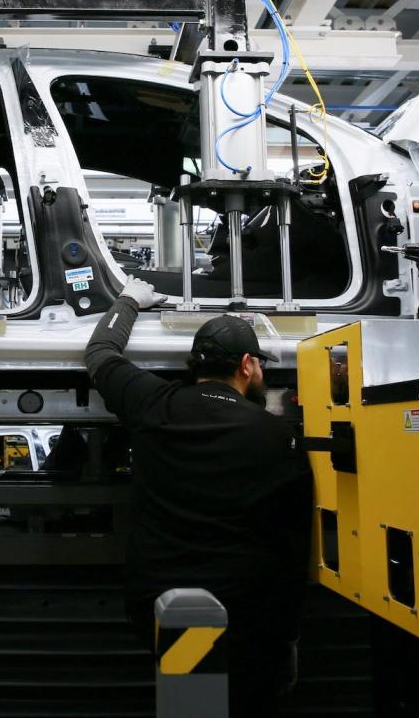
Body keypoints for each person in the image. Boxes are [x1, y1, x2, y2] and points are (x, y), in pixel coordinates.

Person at [84, 276, 313, 718]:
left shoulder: (153, 404)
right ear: (247, 366)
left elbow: (99, 354)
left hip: (159, 605)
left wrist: (130, 299)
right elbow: (291, 547)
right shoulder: (276, 437)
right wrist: (288, 635)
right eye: (261, 366)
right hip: (247, 616)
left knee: (192, 699)